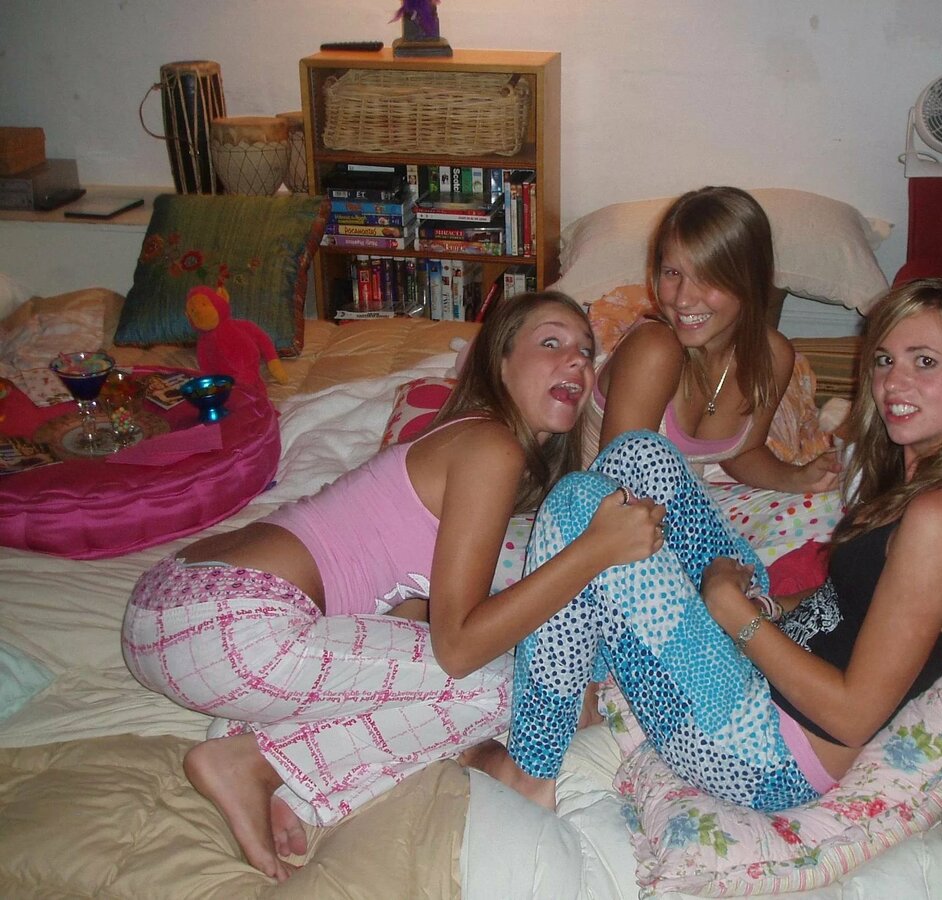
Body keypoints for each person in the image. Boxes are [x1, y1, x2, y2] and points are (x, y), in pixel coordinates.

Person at [120, 291, 667, 882]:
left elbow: (404, 629)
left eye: (587, 351)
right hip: (232, 621)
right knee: (526, 688)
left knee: (469, 680)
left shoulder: (464, 444)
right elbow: (458, 647)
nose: (578, 361)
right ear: (499, 361)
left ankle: (259, 750)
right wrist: (593, 552)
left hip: (170, 614)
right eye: (552, 342)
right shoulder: (491, 446)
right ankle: (255, 762)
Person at [469, 277, 942, 813]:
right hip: (762, 660)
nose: (893, 383)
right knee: (640, 455)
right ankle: (584, 685)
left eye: (925, 361)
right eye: (886, 360)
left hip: (763, 751)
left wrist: (735, 614)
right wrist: (765, 606)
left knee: (578, 504)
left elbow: (852, 716)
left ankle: (529, 771)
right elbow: (858, 605)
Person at [583, 185, 841, 495]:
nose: (683, 299)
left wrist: (800, 478)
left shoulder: (773, 355)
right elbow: (619, 488)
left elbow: (743, 454)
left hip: (673, 506)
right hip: (600, 507)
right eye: (672, 273)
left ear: (751, 279)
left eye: (707, 277)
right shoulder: (654, 349)